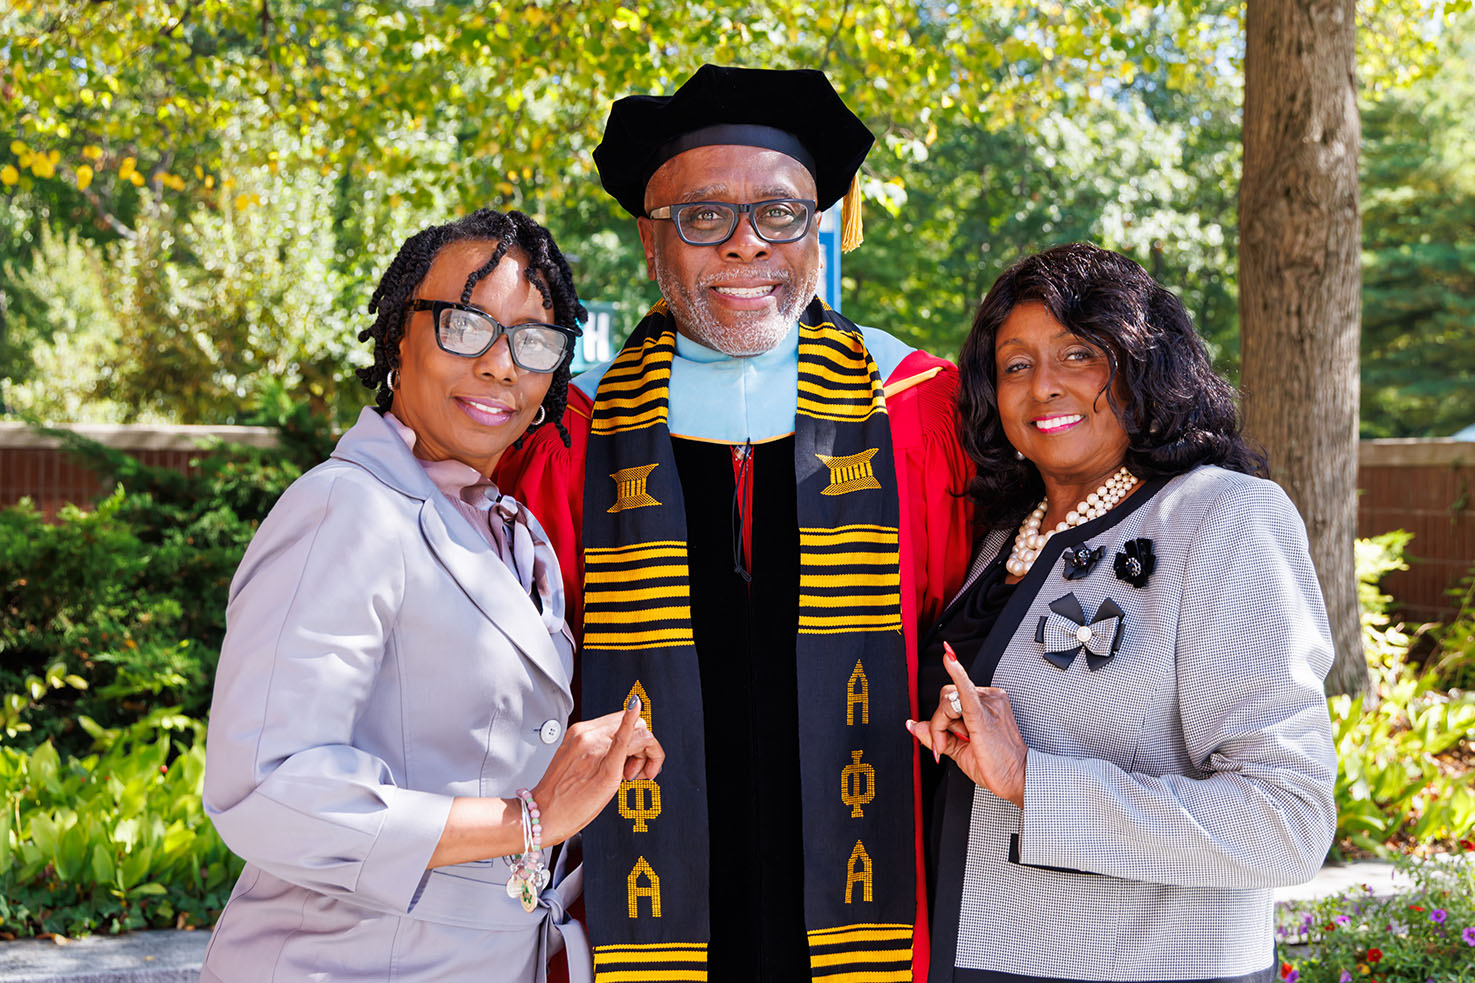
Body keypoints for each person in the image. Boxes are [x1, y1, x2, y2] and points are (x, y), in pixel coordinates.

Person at [495, 65, 972, 981]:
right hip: (633, 911)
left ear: (821, 227)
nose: (747, 244)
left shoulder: (918, 409)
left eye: (782, 213)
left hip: (882, 904)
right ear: (649, 240)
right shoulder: (576, 431)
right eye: (703, 217)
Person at [201, 209, 663, 983]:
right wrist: (530, 817)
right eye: (466, 325)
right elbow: (268, 789)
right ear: (399, 336)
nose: (499, 365)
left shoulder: (509, 530)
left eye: (533, 342)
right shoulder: (345, 509)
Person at [907, 242, 1337, 983]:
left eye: (1078, 353)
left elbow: (1285, 820)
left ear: (1143, 363)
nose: (1043, 385)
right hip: (968, 957)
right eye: (1015, 364)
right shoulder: (1002, 538)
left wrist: (1031, 782)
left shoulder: (1222, 517)